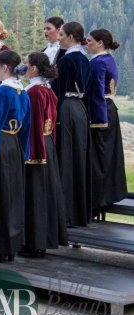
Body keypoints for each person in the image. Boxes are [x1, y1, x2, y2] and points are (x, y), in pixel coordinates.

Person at [0, 50, 30, 262]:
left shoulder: (2, 93)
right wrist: (24, 152)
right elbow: (27, 126)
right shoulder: (23, 92)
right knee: (11, 195)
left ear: (5, 67)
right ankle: (10, 245)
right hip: (14, 146)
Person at [20, 52, 67, 258]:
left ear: (34, 69)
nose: (23, 68)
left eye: (26, 65)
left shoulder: (33, 92)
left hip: (36, 146)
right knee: (44, 193)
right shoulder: (47, 90)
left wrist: (30, 152)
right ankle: (41, 240)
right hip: (46, 143)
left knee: (35, 194)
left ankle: (34, 242)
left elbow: (33, 125)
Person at [51, 21, 91, 226]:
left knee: (66, 159)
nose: (59, 38)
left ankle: (64, 215)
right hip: (80, 111)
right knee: (77, 159)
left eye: (62, 35)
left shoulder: (67, 60)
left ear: (72, 37)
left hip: (66, 109)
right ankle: (78, 212)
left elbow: (57, 91)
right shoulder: (85, 59)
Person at [85, 29, 127, 217]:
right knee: (106, 158)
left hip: (101, 113)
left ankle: (96, 201)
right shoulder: (107, 59)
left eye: (90, 41)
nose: (87, 44)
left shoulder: (98, 63)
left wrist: (97, 121)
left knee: (98, 159)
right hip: (109, 110)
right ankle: (103, 199)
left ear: (100, 43)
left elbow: (95, 94)